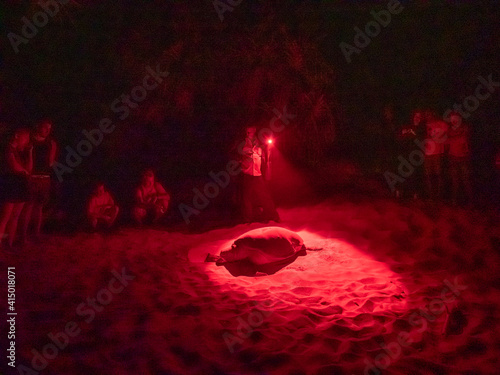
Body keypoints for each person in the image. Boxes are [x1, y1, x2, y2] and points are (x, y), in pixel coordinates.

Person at [20, 119, 57, 242]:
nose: (47, 131)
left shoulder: (51, 143)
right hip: (32, 176)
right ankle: (23, 235)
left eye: (49, 129)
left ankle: (36, 234)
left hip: (44, 177)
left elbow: (50, 162)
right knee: (28, 206)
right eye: (45, 128)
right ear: (39, 126)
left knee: (39, 207)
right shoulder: (29, 141)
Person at [239, 125, 280, 223]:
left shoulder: (258, 142)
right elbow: (243, 151)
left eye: (253, 130)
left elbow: (263, 154)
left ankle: (273, 216)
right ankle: (247, 220)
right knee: (247, 198)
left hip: (257, 174)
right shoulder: (243, 142)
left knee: (264, 195)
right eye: (249, 131)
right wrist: (253, 150)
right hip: (247, 174)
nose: (251, 132)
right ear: (246, 131)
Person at [0, 129, 32, 250]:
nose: (27, 141)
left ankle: (9, 243)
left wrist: (29, 153)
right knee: (4, 217)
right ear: (17, 136)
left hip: (19, 185)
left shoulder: (20, 151)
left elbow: (29, 168)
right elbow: (13, 166)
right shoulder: (7, 149)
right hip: (10, 184)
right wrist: (23, 171)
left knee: (15, 216)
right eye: (26, 137)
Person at [396, 110, 426, 199]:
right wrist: (403, 133)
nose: (417, 118)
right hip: (405, 154)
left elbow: (422, 141)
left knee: (415, 175)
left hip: (416, 156)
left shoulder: (422, 128)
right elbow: (399, 138)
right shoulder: (408, 126)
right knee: (402, 172)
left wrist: (414, 134)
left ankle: (415, 194)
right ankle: (399, 192)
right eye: (416, 116)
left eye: (419, 117)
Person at [446, 112, 473, 206]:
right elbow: (447, 142)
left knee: (466, 180)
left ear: (459, 118)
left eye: (455, 118)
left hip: (463, 157)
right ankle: (454, 201)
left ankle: (470, 201)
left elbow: (465, 139)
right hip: (453, 157)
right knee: (455, 181)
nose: (453, 120)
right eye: (451, 119)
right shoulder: (449, 130)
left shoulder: (464, 128)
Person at [423, 110, 448, 200]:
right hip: (427, 153)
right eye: (426, 115)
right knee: (428, 175)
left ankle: (439, 194)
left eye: (429, 114)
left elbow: (447, 133)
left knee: (438, 174)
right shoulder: (424, 126)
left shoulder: (440, 124)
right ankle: (430, 194)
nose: (427, 116)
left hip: (437, 153)